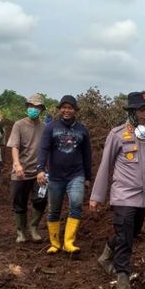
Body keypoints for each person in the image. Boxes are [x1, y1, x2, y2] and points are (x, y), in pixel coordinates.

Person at [90, 91, 145, 289]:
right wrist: (97, 196)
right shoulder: (117, 135)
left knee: (130, 234)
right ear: (132, 111)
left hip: (141, 200)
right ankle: (123, 284)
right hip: (122, 197)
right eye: (142, 110)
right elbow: (105, 167)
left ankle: (105, 256)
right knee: (125, 240)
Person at [36, 95, 93, 254]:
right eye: (64, 107)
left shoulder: (82, 129)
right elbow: (43, 149)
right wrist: (40, 169)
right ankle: (55, 243)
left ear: (75, 110)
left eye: (70, 108)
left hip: (76, 174)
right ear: (60, 109)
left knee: (76, 204)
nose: (67, 110)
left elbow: (87, 154)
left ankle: (69, 242)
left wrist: (88, 177)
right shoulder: (51, 127)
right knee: (54, 209)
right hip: (55, 176)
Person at [7, 93, 48, 243]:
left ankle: (33, 227)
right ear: (27, 107)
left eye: (37, 107)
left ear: (41, 109)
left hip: (39, 172)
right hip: (21, 172)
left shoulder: (45, 128)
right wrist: (17, 164)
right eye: (31, 106)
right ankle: (21, 232)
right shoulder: (19, 125)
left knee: (41, 200)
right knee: (19, 202)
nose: (34, 109)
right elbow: (14, 146)